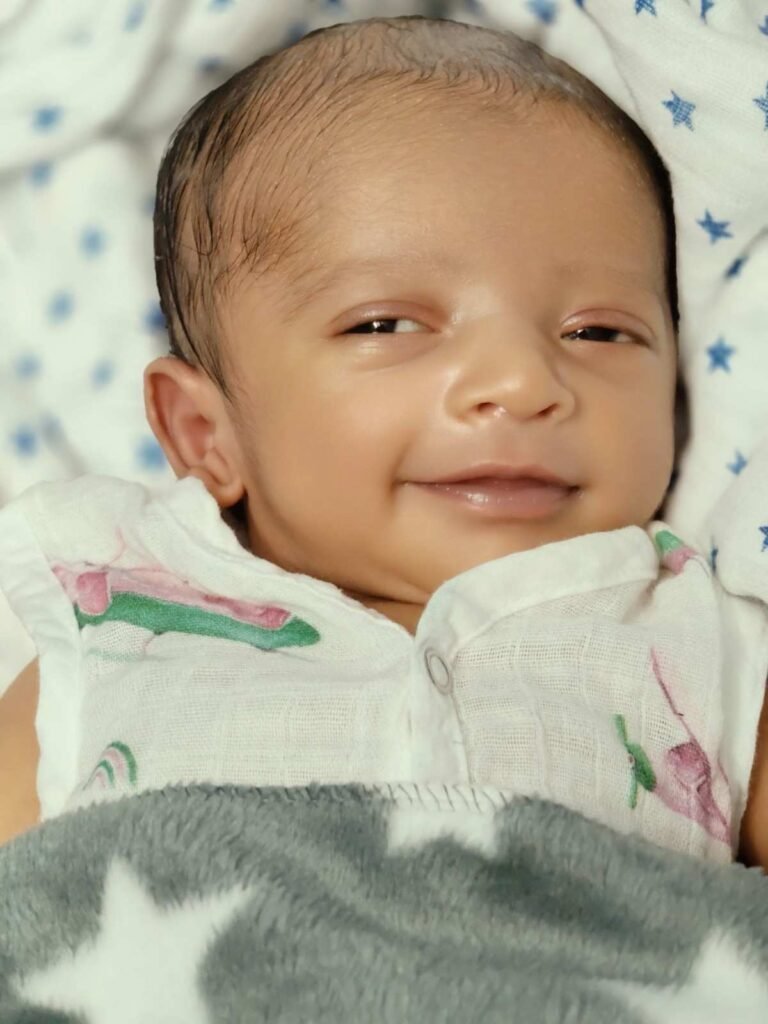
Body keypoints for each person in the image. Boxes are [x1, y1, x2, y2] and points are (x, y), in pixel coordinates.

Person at [2, 16, 767, 865]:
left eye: (597, 333)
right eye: (388, 323)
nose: (521, 382)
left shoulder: (707, 640)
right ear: (205, 435)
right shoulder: (106, 619)